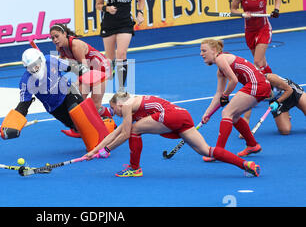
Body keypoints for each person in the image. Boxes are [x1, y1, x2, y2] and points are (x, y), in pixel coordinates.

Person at [85, 93, 261, 177]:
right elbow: (114, 133)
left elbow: (124, 134)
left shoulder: (127, 105)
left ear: (119, 103)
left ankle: (134, 168)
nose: (114, 112)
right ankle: (246, 164)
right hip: (182, 114)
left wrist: (106, 150)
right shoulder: (133, 105)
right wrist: (94, 151)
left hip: (170, 116)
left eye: (113, 107)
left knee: (133, 130)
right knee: (205, 150)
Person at [200, 39, 271, 162]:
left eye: (204, 51)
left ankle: (218, 152)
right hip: (259, 85)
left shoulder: (220, 59)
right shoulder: (220, 69)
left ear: (214, 51)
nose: (201, 54)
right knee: (234, 116)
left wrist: (226, 95)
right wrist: (207, 113)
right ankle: (252, 145)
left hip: (257, 84)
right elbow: (218, 94)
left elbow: (234, 80)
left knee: (227, 113)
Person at [96, 0, 145, 91]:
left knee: (121, 54)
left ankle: (122, 89)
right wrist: (107, 8)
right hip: (109, 24)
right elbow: (98, 5)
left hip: (125, 24)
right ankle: (106, 83)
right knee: (110, 59)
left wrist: (140, 13)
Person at [13, 48, 85, 138]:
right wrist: (13, 123)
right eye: (31, 67)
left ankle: (97, 126)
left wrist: (80, 68)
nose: (35, 69)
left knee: (79, 114)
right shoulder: (26, 82)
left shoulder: (51, 60)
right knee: (76, 127)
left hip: (67, 91)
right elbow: (23, 105)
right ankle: (79, 130)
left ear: (41, 59)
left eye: (36, 65)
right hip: (55, 107)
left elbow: (69, 66)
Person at [49, 23, 112, 117]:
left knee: (95, 106)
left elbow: (84, 71)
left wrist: (74, 84)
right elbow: (63, 64)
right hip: (88, 71)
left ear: (64, 34)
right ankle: (82, 128)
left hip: (101, 69)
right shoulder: (59, 47)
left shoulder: (75, 45)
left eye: (57, 36)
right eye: (52, 38)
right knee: (77, 102)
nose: (55, 40)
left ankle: (112, 125)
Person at [230, 0, 281, 75]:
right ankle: (275, 84)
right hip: (249, 31)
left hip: (263, 28)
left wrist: (276, 10)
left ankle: (267, 86)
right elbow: (233, 9)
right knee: (262, 62)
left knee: (257, 62)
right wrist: (242, 14)